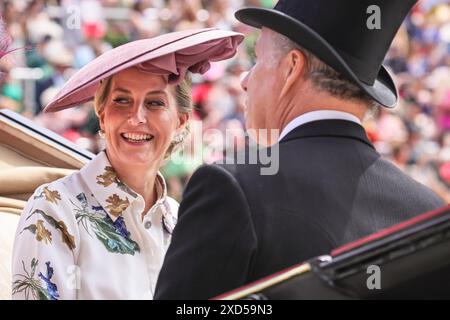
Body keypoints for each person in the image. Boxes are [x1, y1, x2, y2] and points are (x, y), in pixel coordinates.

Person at [155, 0, 446, 300]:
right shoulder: (429, 211)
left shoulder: (232, 186)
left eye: (257, 59)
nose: (245, 79)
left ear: (292, 67)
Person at [12, 28, 243, 300]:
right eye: (122, 100)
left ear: (180, 122)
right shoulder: (54, 208)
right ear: (102, 115)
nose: (137, 117)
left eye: (155, 103)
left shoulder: (180, 220)